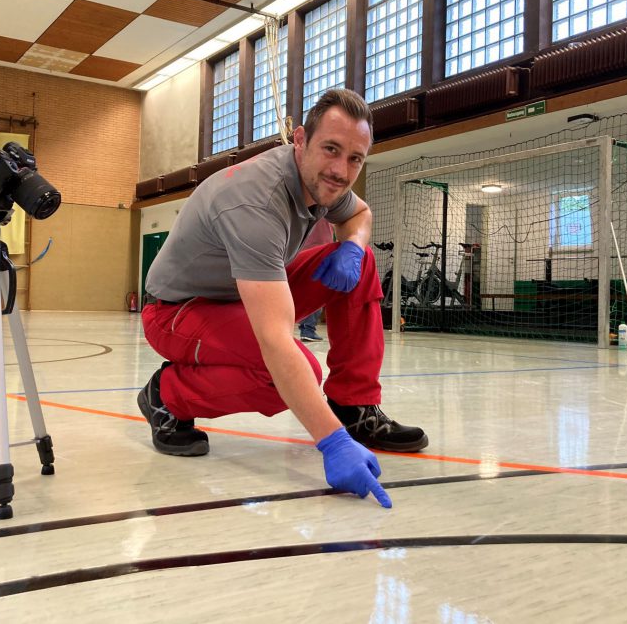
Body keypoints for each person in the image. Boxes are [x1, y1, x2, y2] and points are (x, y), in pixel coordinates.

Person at [139, 89, 428, 508]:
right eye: (331, 149)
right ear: (299, 141)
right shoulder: (255, 201)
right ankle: (167, 394)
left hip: (241, 290)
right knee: (291, 374)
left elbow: (359, 214)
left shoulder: (321, 181)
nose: (340, 170)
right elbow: (276, 341)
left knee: (361, 261)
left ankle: (355, 407)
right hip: (177, 310)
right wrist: (331, 442)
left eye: (354, 158)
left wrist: (353, 246)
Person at [297, 219, 334, 342]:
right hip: (320, 249)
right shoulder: (327, 204)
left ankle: (306, 327)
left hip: (302, 250)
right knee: (315, 292)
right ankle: (308, 329)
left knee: (307, 291)